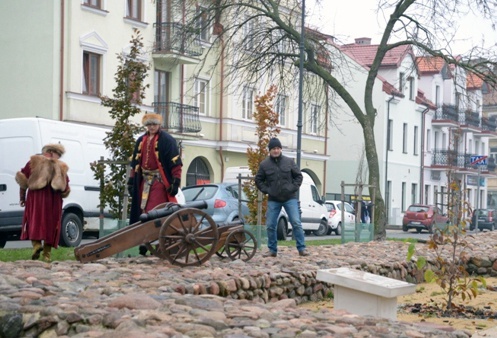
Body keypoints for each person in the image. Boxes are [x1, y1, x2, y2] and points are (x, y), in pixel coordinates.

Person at [128, 113, 182, 254]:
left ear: (159, 125)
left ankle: (155, 241)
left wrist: (175, 182)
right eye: (149, 125)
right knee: (142, 210)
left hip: (159, 181)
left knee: (155, 210)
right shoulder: (141, 140)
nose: (151, 127)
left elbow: (176, 164)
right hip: (144, 181)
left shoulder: (167, 140)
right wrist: (131, 180)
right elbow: (134, 164)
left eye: (154, 124)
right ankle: (145, 241)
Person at [255, 137, 310, 257]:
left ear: (280, 149)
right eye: (273, 148)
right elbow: (258, 180)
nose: (276, 150)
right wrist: (267, 190)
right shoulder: (264, 164)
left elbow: (298, 177)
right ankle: (272, 250)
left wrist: (292, 188)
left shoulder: (289, 162)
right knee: (270, 225)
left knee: (296, 222)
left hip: (290, 198)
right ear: (270, 150)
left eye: (278, 148)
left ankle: (302, 248)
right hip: (273, 200)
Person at [15, 143, 70, 262]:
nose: (59, 157)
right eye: (58, 154)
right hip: (53, 199)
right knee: (51, 224)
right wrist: (64, 191)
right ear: (50, 152)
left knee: (34, 220)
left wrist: (22, 197)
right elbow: (66, 188)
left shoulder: (32, 162)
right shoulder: (61, 166)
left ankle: (36, 246)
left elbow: (23, 180)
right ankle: (46, 254)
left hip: (36, 198)